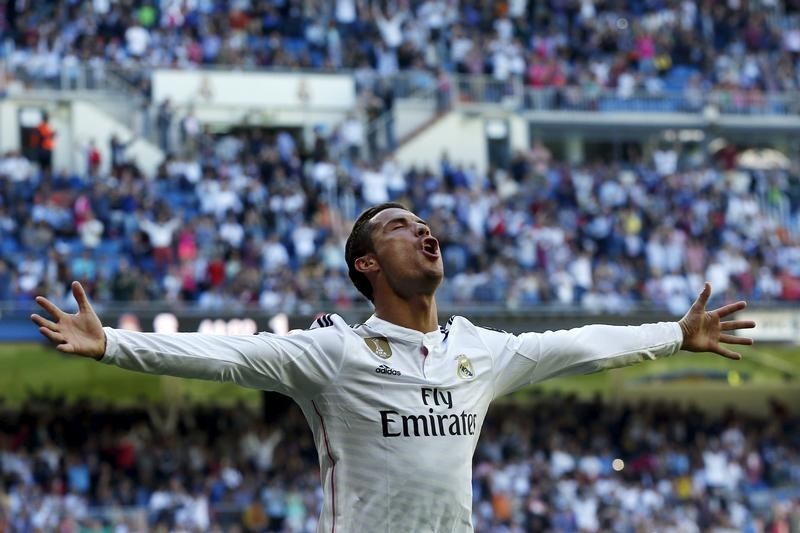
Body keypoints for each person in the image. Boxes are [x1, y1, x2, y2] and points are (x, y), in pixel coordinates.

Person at [32, 202, 755, 532]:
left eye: (423, 221)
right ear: (368, 264)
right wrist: (115, 344)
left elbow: (579, 344)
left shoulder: (480, 349)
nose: (423, 229)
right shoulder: (334, 352)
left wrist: (672, 333)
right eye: (400, 225)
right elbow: (230, 353)